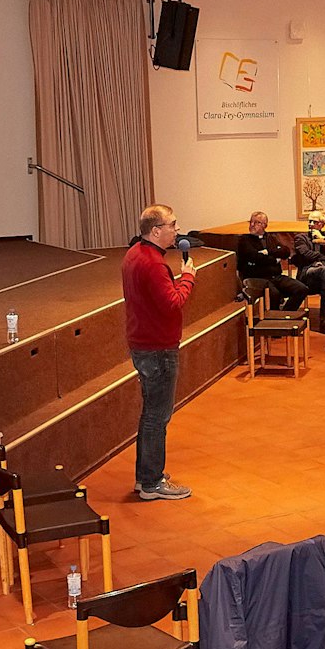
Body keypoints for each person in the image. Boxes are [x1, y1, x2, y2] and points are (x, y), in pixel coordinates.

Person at [124, 205, 197, 501]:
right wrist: (188, 277)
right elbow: (172, 302)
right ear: (156, 231)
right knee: (157, 416)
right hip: (157, 348)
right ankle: (152, 483)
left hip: (143, 343)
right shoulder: (153, 264)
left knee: (150, 414)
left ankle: (146, 477)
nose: (177, 231)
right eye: (173, 225)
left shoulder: (133, 254)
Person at [234, 211, 308, 312]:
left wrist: (267, 251)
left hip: (276, 276)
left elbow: (285, 251)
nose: (252, 225)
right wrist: (275, 259)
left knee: (301, 289)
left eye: (257, 222)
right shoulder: (244, 240)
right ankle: (273, 319)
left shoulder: (271, 238)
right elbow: (255, 257)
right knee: (274, 293)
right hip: (257, 278)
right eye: (251, 222)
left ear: (265, 225)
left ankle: (285, 315)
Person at [290, 212, 325, 332]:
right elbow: (305, 254)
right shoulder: (301, 238)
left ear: (322, 225)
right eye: (309, 221)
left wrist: (323, 240)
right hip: (307, 275)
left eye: (314, 222)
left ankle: (324, 323)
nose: (310, 225)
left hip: (323, 278)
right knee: (322, 270)